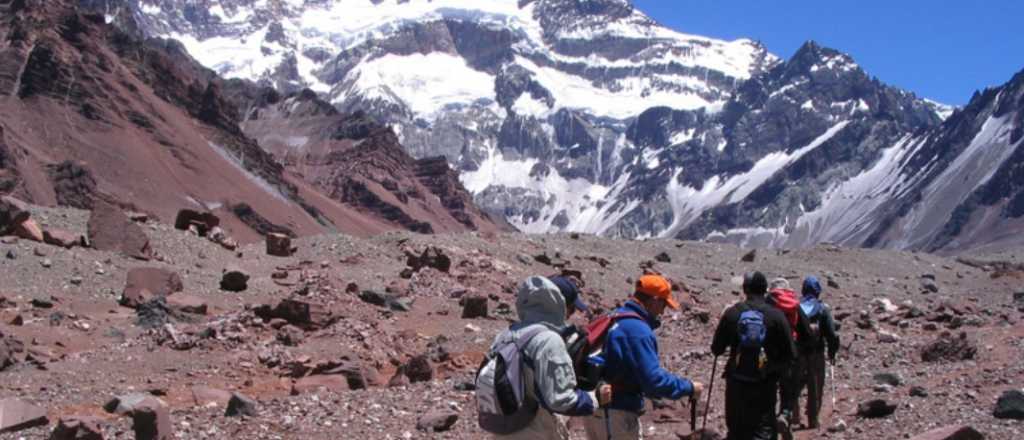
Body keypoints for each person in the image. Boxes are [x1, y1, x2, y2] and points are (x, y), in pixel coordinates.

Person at [483, 275, 606, 440]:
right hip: (536, 430)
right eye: (571, 309)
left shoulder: (506, 335)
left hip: (505, 428)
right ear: (560, 305)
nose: (569, 315)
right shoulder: (548, 340)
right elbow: (561, 401)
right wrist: (594, 398)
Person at [583, 274, 704, 440]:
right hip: (616, 412)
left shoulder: (615, 317)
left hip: (597, 408)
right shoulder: (637, 330)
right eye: (663, 304)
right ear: (654, 300)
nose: (663, 311)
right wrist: (688, 387)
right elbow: (653, 381)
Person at [711, 272, 797, 440]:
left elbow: (716, 349)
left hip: (737, 382)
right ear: (765, 290)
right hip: (764, 384)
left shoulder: (732, 313)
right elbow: (791, 354)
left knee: (736, 430)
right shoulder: (776, 315)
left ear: (745, 289)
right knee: (763, 429)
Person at [767, 278, 812, 439]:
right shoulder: (794, 305)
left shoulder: (767, 303)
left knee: (769, 390)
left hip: (769, 354)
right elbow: (807, 333)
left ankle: (769, 425)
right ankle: (785, 414)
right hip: (790, 353)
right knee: (789, 389)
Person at [795, 276, 840, 430]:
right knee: (815, 386)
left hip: (798, 352)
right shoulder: (822, 309)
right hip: (816, 353)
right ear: (818, 291)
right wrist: (832, 352)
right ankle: (813, 420)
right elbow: (831, 335)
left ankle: (793, 416)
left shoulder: (796, 307)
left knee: (794, 384)